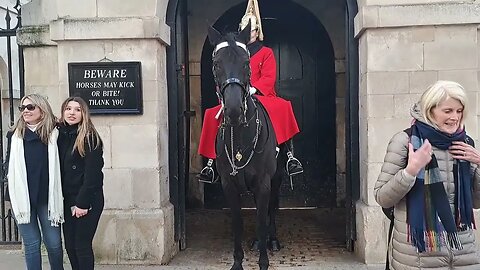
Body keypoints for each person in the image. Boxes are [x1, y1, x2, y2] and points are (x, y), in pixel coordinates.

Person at [375, 80, 480, 269]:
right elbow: (382, 198)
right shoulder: (404, 141)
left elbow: (477, 202)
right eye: (447, 111)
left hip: (465, 254)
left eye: (459, 111)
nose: (455, 117)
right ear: (429, 110)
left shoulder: (465, 143)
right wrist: (411, 170)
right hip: (418, 257)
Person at [197, 0, 303, 183]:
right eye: (246, 29)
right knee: (210, 115)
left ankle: (289, 157)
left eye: (252, 30)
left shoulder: (266, 52)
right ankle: (210, 163)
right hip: (237, 94)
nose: (250, 33)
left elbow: (269, 77)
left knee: (283, 107)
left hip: (261, 94)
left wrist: (255, 88)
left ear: (257, 31)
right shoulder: (235, 51)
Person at [6, 94, 64, 270]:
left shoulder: (56, 133)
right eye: (22, 108)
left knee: (53, 243)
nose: (25, 111)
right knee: (31, 244)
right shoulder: (14, 136)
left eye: (30, 107)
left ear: (42, 109)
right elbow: (10, 165)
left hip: (47, 197)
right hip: (23, 196)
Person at [57, 96, 104, 270]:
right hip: (67, 198)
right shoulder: (60, 134)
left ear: (84, 114)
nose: (72, 113)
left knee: (81, 246)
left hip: (87, 199)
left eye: (77, 109)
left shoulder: (90, 137)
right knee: (70, 246)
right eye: (68, 109)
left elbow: (93, 175)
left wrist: (82, 203)